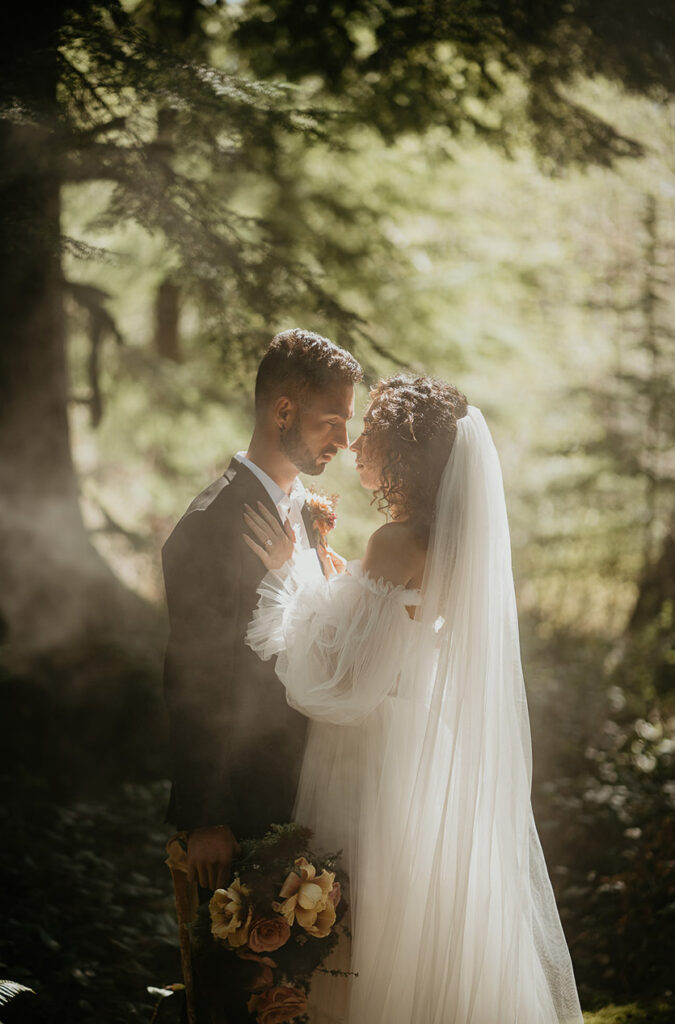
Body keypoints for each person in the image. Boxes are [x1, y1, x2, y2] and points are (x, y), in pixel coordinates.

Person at [244, 374, 584, 1024]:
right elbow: (386, 632)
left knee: (364, 926)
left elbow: (340, 683)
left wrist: (286, 574)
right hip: (417, 741)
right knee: (416, 922)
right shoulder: (440, 542)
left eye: (368, 434)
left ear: (403, 452)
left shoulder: (396, 542)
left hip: (367, 752)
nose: (353, 446)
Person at [161, 327, 362, 892]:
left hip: (312, 794)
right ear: (283, 411)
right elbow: (193, 680)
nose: (344, 440)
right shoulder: (207, 526)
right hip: (244, 811)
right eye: (332, 420)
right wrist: (206, 818)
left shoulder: (304, 513)